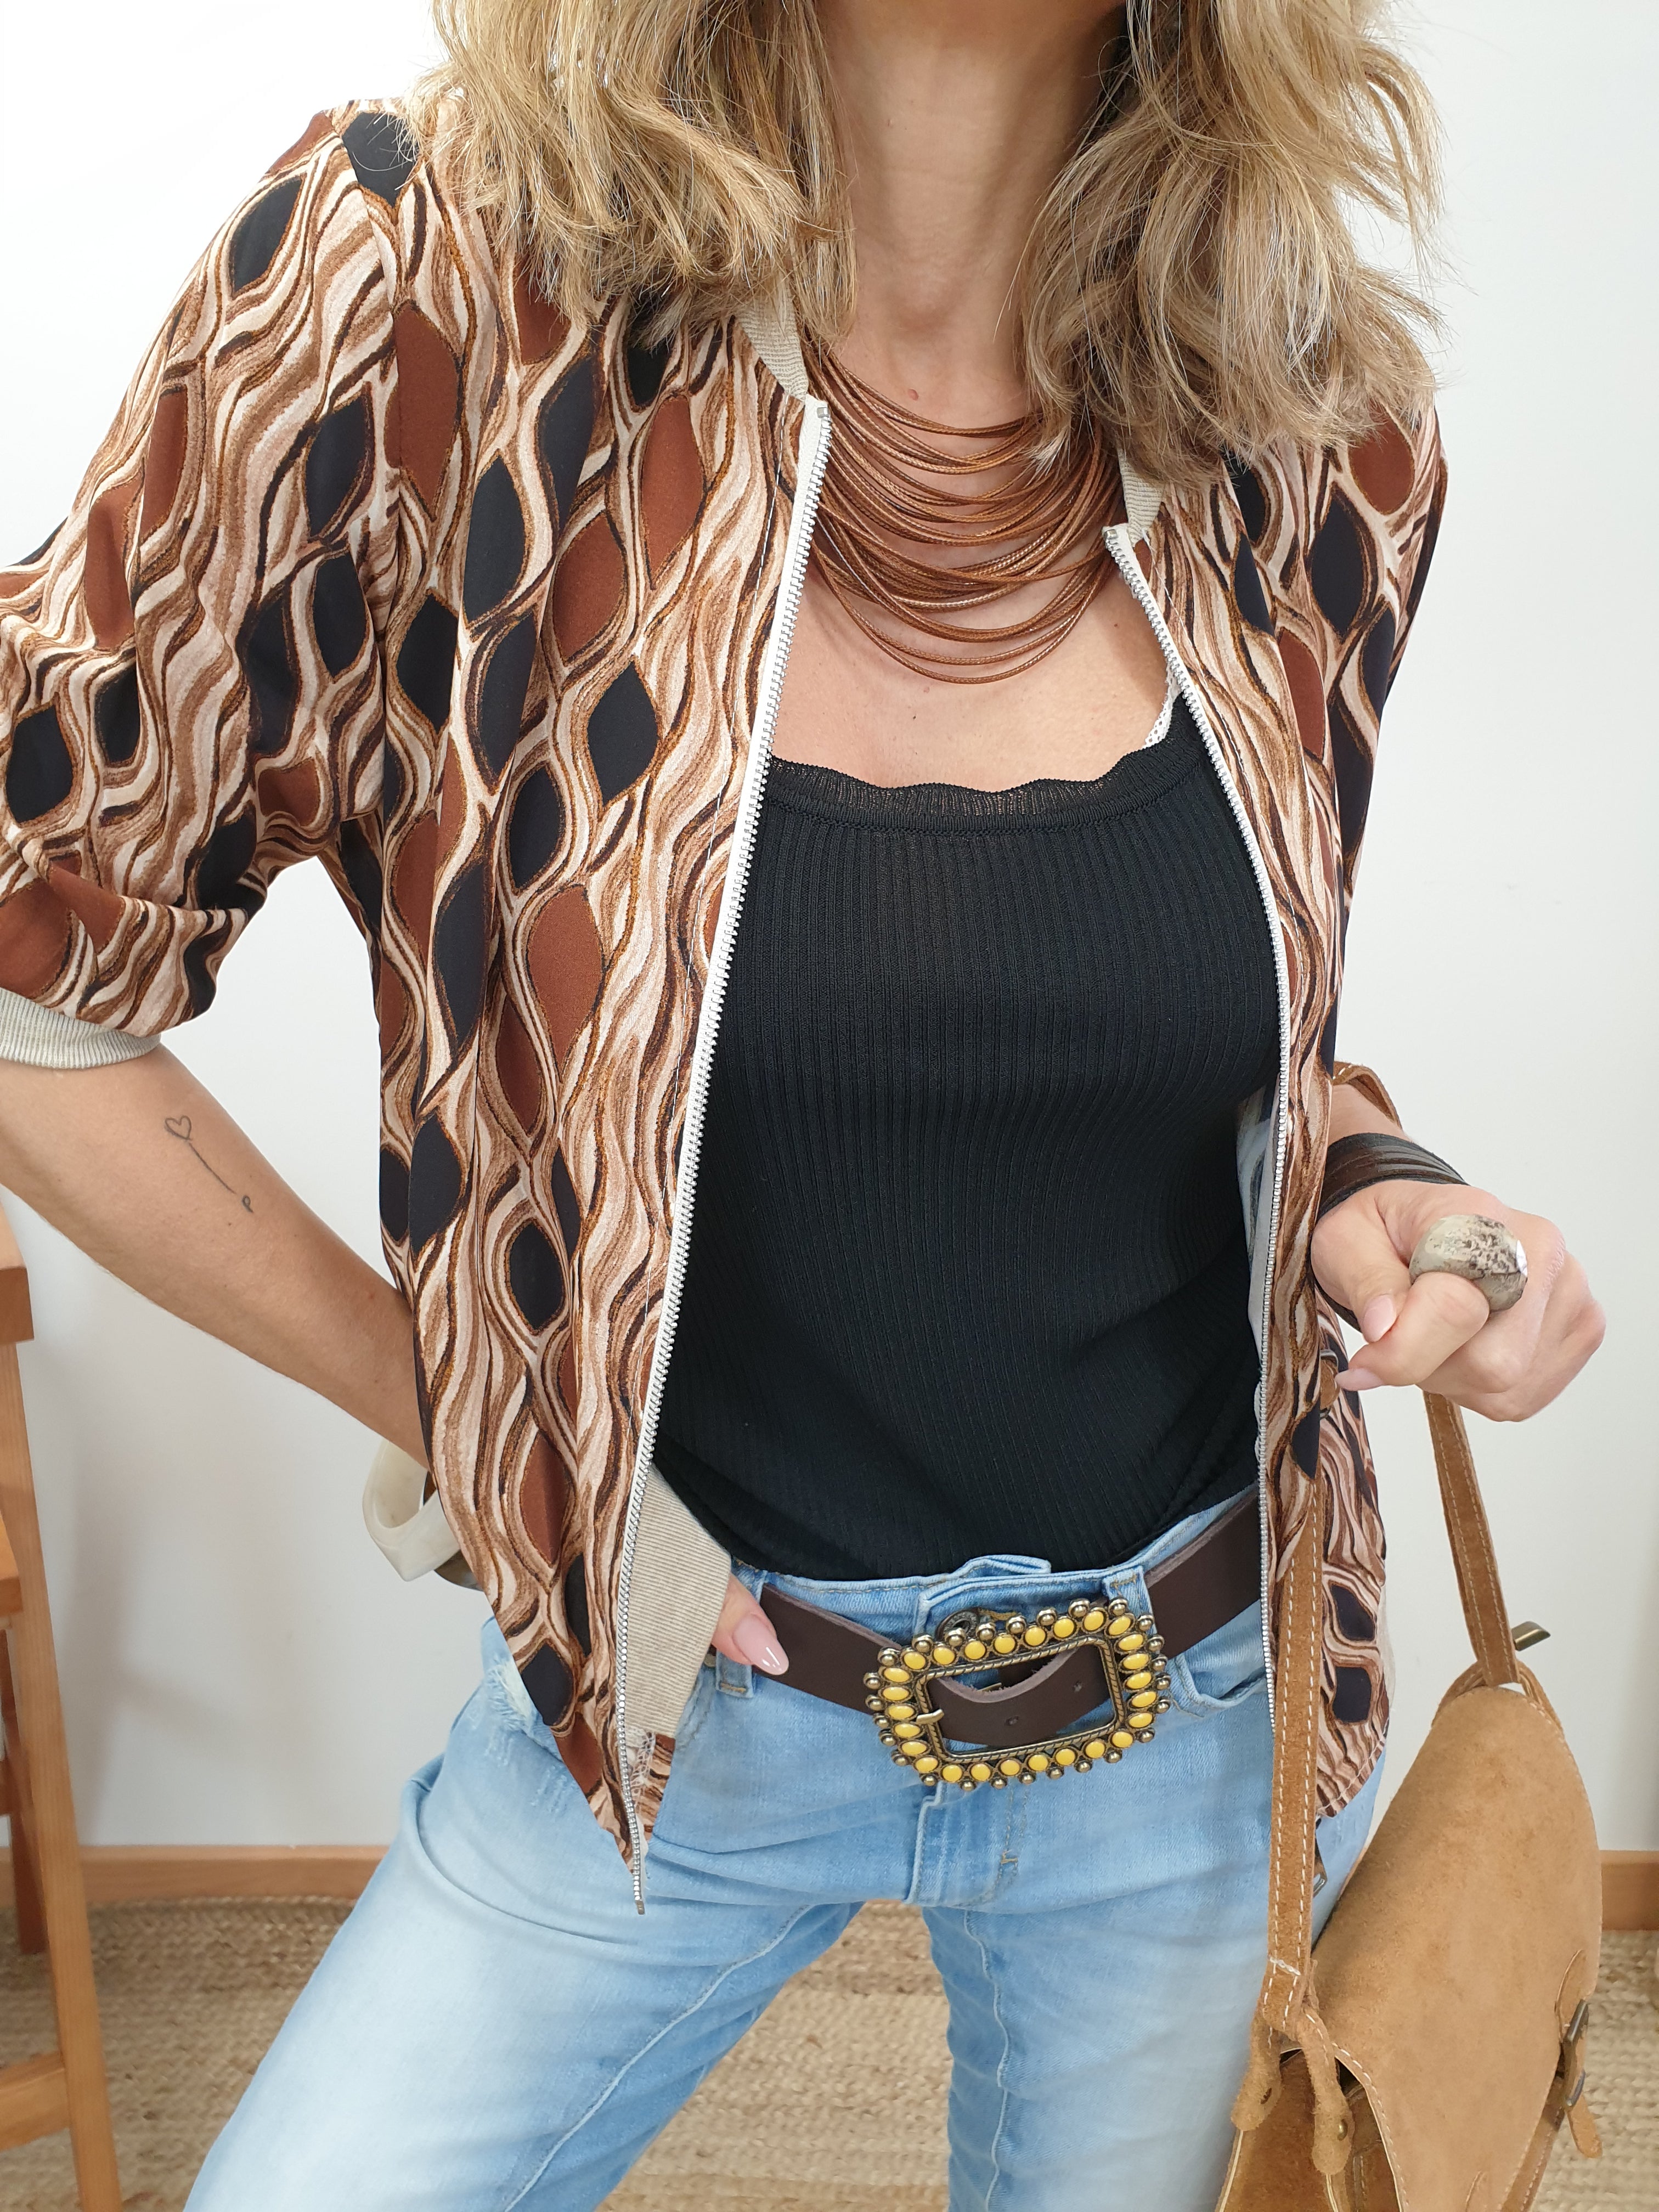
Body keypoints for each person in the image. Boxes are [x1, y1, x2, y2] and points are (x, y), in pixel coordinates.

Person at [0, 2, 1604, 2205]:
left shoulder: (1309, 419)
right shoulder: (423, 289)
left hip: (1191, 1722)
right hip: (674, 1687)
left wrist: (1382, 1189)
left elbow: (1192, 1036)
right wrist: (479, 1428)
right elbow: (29, 959)